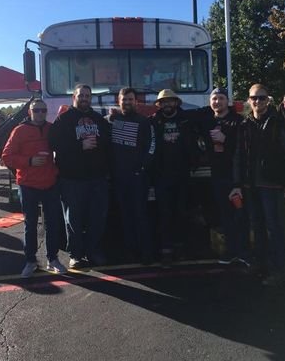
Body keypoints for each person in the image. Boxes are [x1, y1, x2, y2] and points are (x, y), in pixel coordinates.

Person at [230, 84, 285, 285]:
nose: (257, 101)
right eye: (254, 98)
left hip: (272, 184)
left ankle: (280, 269)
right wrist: (236, 183)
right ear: (249, 100)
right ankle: (260, 263)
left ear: (268, 100)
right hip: (251, 185)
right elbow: (238, 156)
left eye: (261, 98)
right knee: (256, 226)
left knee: (274, 227)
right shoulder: (244, 125)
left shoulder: (278, 123)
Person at [2, 99, 67, 278]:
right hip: (28, 184)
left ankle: (52, 258)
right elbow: (6, 156)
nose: (40, 113)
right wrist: (29, 161)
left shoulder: (51, 128)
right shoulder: (19, 130)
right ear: (29, 111)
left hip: (50, 183)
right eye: (36, 110)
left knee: (53, 223)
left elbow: (63, 148)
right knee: (30, 224)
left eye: (43, 110)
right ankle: (30, 261)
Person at [49, 84, 110, 269]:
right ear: (74, 97)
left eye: (87, 95)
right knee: (73, 219)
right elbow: (54, 144)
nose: (84, 98)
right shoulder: (63, 119)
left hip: (97, 178)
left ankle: (93, 251)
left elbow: (108, 143)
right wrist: (79, 146)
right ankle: (75, 255)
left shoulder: (99, 119)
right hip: (71, 179)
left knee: (97, 218)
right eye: (81, 95)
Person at [188, 88, 248, 265]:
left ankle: (244, 251)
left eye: (221, 99)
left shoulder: (238, 121)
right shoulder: (207, 120)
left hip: (237, 175)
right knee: (225, 214)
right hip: (218, 174)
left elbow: (244, 149)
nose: (217, 102)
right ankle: (231, 251)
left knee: (241, 213)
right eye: (214, 99)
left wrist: (225, 139)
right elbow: (184, 118)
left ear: (227, 101)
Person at [150, 89, 198, 267]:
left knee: (182, 212)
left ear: (177, 103)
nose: (167, 105)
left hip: (183, 173)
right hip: (162, 175)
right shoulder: (153, 121)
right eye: (163, 102)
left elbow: (210, 113)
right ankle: (166, 251)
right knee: (164, 214)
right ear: (159, 105)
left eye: (170, 101)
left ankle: (181, 248)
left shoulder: (187, 118)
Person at [109, 87, 155, 264]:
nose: (127, 102)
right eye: (124, 100)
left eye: (130, 99)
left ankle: (147, 253)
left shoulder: (144, 122)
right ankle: (130, 251)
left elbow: (151, 147)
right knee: (125, 215)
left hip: (138, 178)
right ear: (118, 101)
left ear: (135, 101)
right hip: (119, 178)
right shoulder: (112, 120)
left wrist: (142, 168)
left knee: (140, 215)